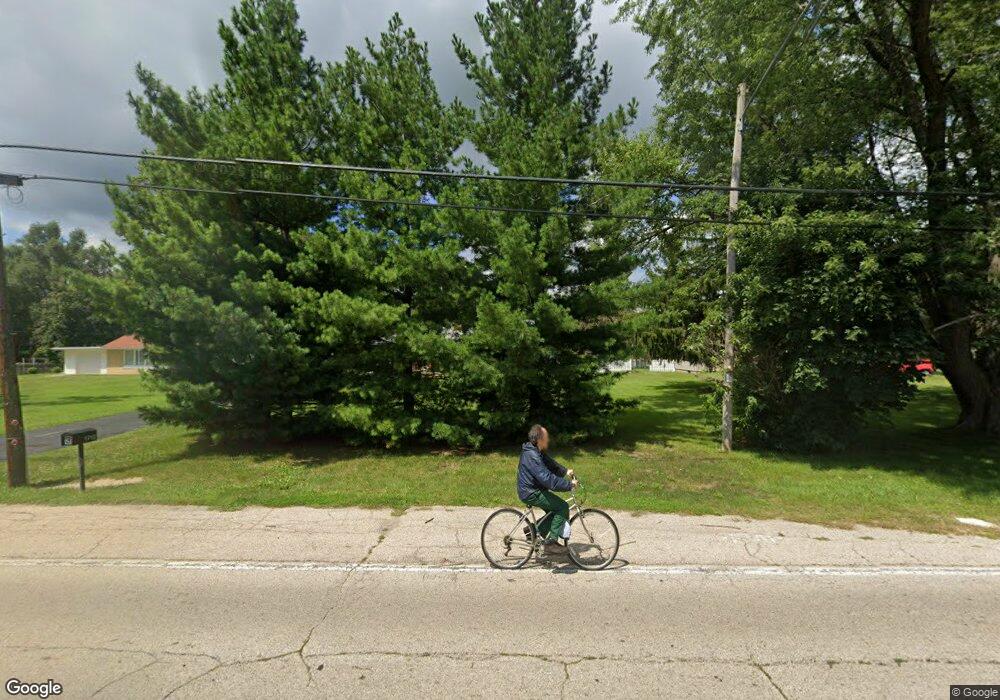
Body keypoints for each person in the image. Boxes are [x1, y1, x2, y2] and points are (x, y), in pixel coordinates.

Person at [517, 424, 578, 553]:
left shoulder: (536, 450)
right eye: (546, 437)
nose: (548, 439)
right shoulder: (532, 455)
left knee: (554, 512)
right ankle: (551, 543)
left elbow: (551, 464)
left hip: (533, 489)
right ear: (539, 439)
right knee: (562, 507)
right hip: (531, 492)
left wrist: (565, 471)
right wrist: (569, 485)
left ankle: (532, 531)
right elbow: (547, 479)